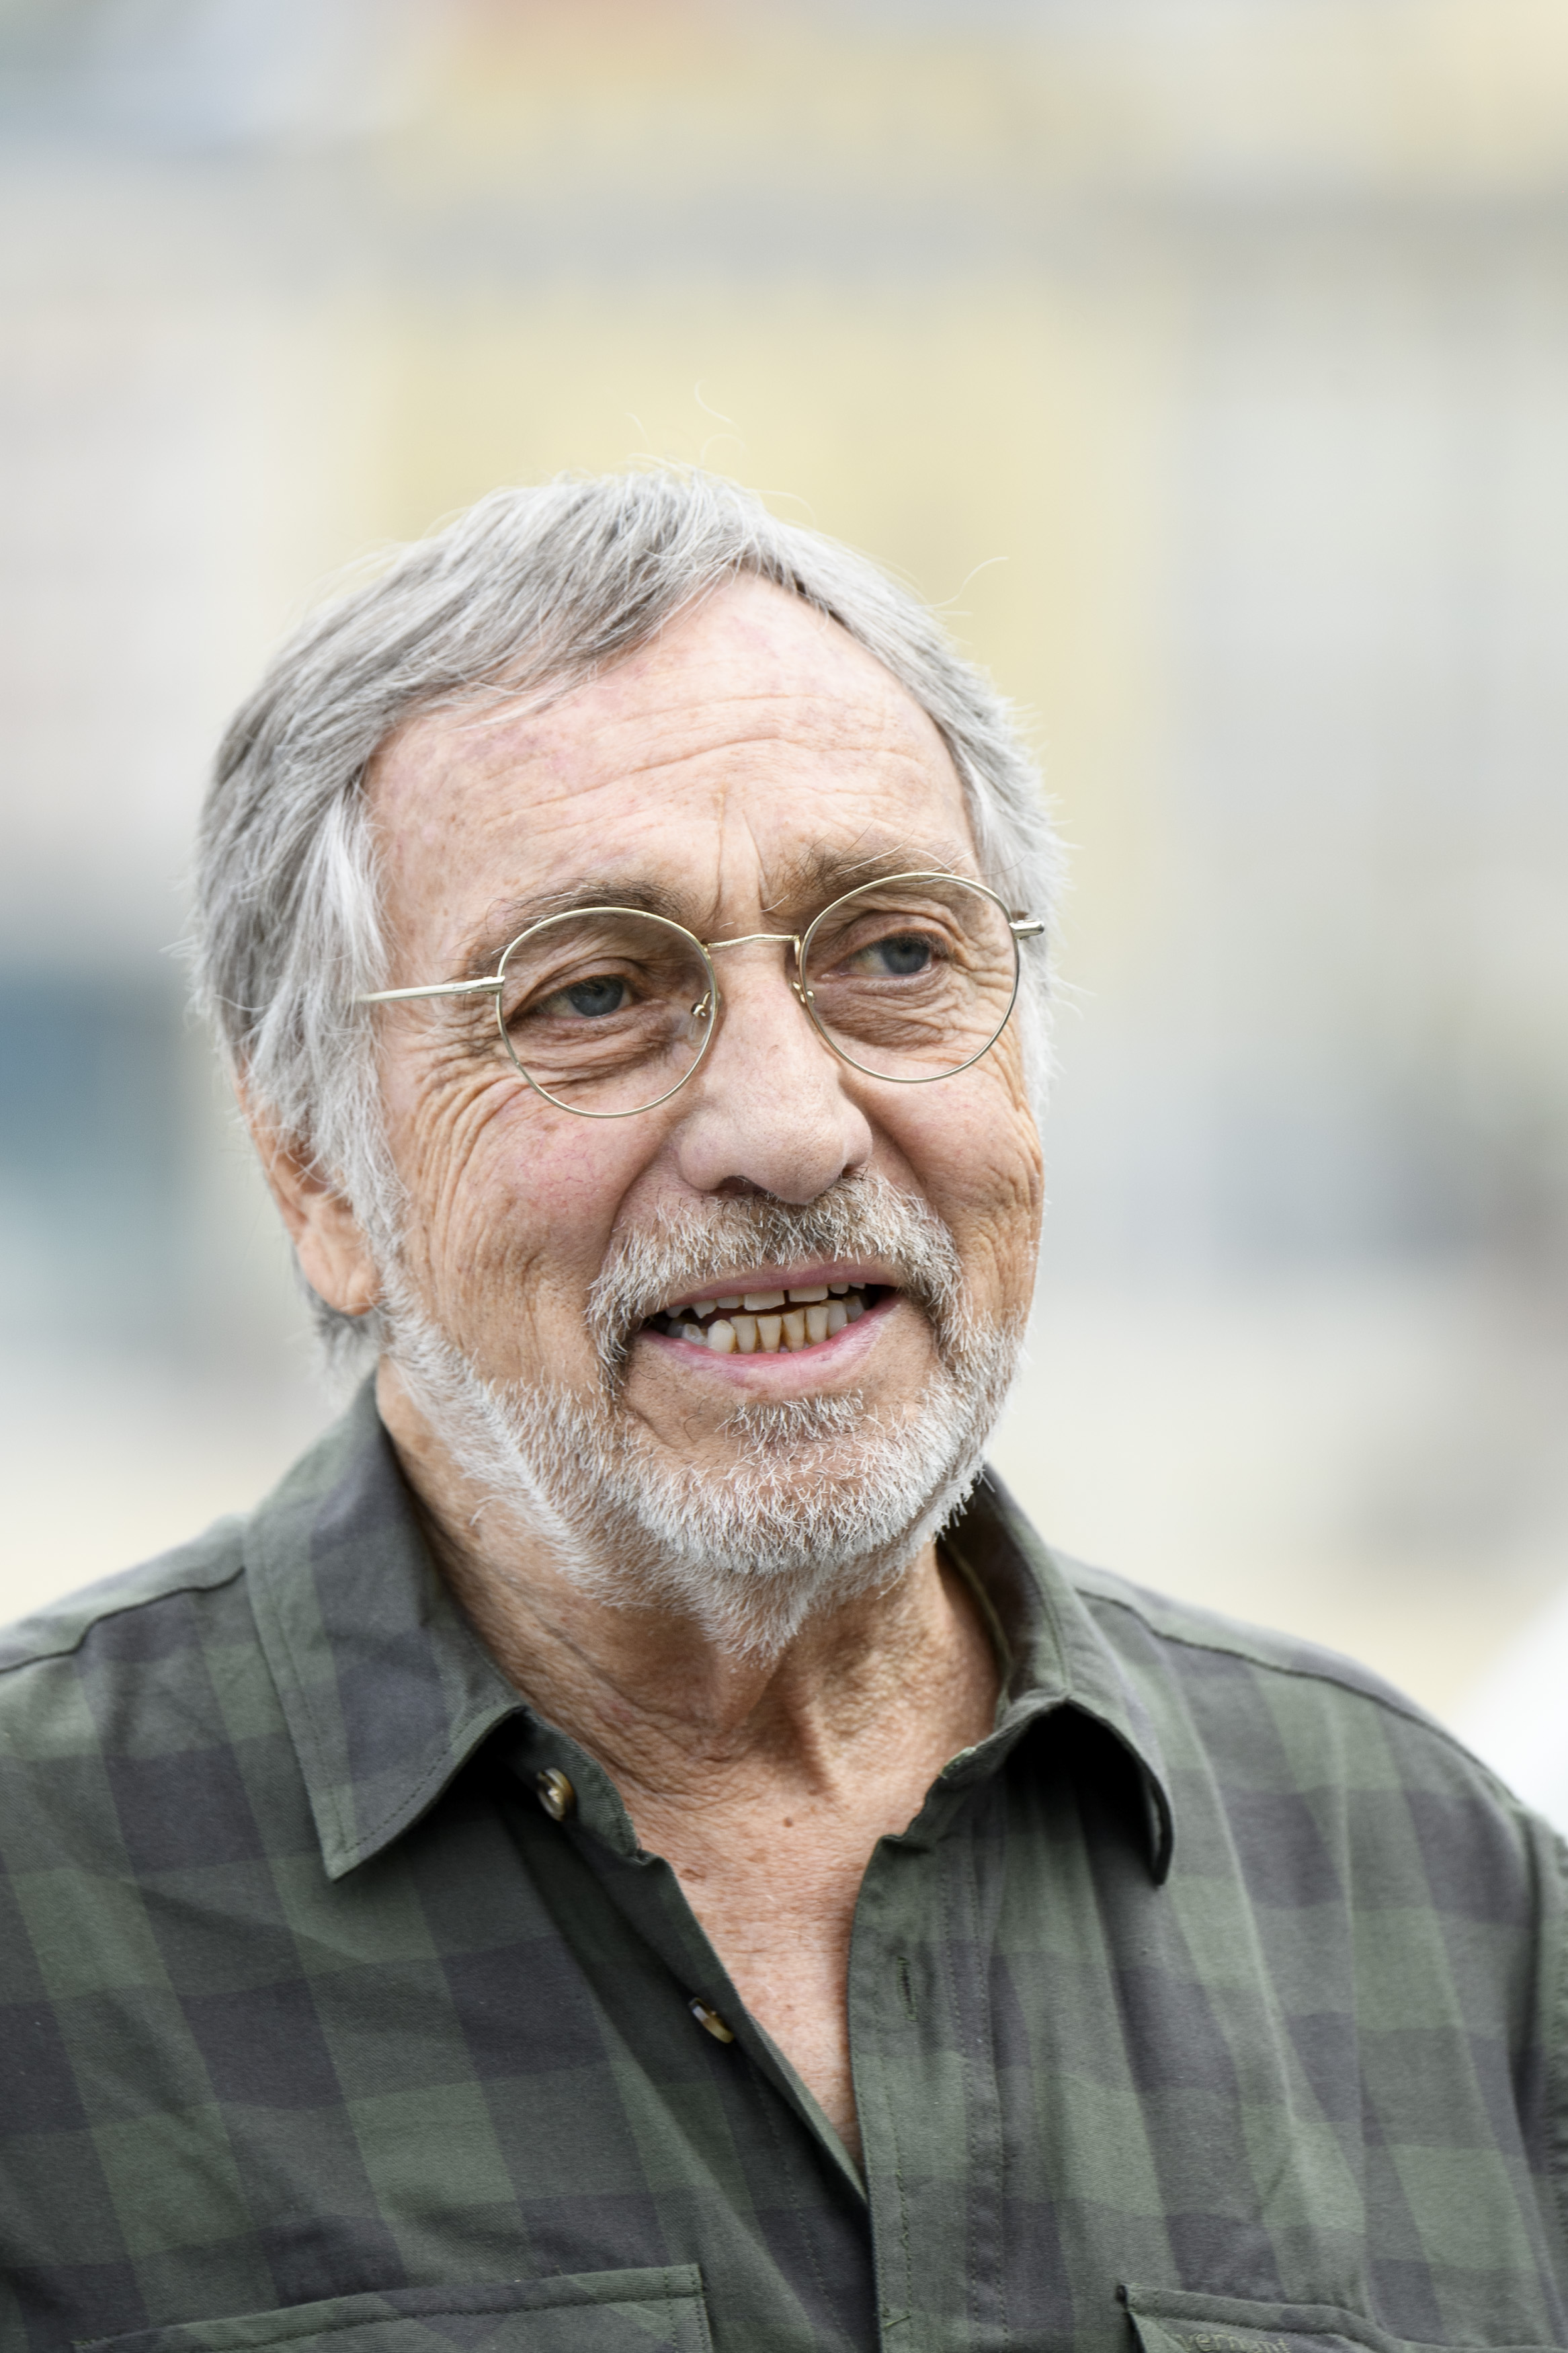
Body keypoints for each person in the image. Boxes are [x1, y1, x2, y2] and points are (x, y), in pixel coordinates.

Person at [1, 473, 1563, 2353]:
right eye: (591, 993)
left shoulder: (1438, 1894)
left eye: (899, 956)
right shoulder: (45, 1905)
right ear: (317, 1175)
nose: (791, 1123)